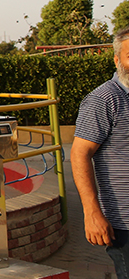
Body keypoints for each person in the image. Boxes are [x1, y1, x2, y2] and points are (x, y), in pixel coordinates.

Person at [72, 27, 129, 279]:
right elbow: (79, 154)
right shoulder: (104, 99)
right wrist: (92, 212)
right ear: (117, 60)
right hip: (124, 223)